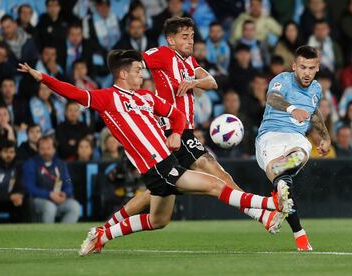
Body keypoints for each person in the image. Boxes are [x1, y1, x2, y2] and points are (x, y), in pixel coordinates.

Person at [17, 49, 292, 255]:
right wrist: (41, 77)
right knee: (212, 185)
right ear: (123, 73)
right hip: (155, 166)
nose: (142, 74)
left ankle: (102, 234)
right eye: (138, 70)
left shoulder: (146, 97)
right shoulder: (107, 98)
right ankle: (270, 204)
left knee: (158, 220)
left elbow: (177, 115)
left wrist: (174, 133)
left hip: (166, 160)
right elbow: (73, 93)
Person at [110, 17, 287, 237]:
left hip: (183, 132)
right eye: (184, 37)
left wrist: (193, 82)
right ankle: (263, 215)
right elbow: (135, 61)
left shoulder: (189, 62)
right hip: (173, 131)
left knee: (157, 191)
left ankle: (108, 226)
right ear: (171, 40)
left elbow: (212, 82)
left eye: (192, 36)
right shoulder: (163, 54)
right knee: (218, 173)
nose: (190, 41)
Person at [255, 45, 332, 251]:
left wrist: (325, 136)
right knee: (283, 178)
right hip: (270, 136)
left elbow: (314, 113)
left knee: (300, 152)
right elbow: (272, 98)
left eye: (311, 68)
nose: (306, 73)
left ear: (317, 68)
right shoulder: (283, 80)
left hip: (295, 138)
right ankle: (281, 183)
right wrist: (292, 108)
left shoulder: (316, 88)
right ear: (294, 66)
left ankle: (279, 183)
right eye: (303, 67)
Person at [22, 135, 81, 223]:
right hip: (38, 199)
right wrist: (49, 194)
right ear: (38, 149)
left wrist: (65, 193)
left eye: (48, 148)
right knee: (50, 207)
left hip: (59, 199)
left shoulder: (61, 164)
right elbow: (29, 187)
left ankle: (63, 233)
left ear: (54, 149)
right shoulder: (30, 164)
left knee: (75, 206)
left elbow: (68, 180)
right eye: (42, 148)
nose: (45, 151)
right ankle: (47, 235)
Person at [0, 140, 30, 223]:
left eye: (11, 152)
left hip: (13, 199)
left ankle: (25, 229)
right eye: (5, 152)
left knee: (26, 199)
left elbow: (23, 184)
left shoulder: (19, 166)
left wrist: (19, 194)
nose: (9, 155)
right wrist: (8, 197)